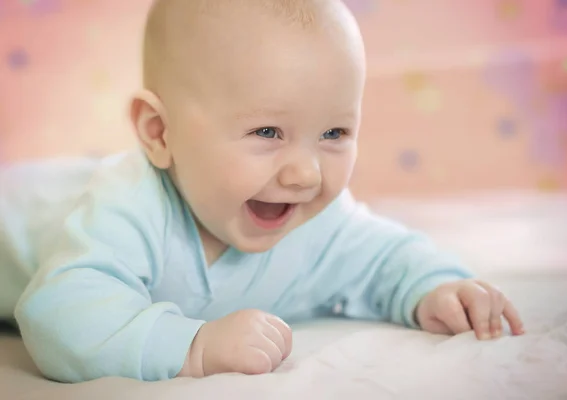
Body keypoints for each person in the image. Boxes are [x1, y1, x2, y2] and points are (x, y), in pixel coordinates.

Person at [0, 0, 524, 383]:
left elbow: (387, 256)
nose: (306, 174)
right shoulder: (129, 202)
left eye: (334, 134)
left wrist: (435, 288)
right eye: (268, 133)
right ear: (161, 133)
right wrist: (193, 346)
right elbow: (59, 314)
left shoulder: (318, 220)